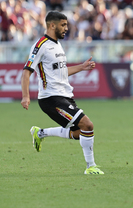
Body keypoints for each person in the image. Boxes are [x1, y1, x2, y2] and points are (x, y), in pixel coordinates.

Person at [21, 11, 104, 175]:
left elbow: (61, 71)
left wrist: (82, 67)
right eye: (63, 25)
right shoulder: (40, 46)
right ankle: (90, 166)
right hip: (51, 98)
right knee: (88, 125)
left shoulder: (58, 45)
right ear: (52, 25)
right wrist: (25, 96)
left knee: (83, 133)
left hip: (65, 95)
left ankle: (40, 133)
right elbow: (26, 72)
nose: (66, 28)